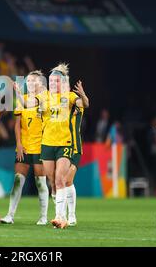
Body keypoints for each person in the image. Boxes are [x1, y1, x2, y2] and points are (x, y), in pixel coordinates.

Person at [0, 70, 50, 225]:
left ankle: (43, 216)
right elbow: (17, 125)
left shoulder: (44, 98)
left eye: (33, 80)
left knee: (40, 181)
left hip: (40, 146)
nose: (30, 83)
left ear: (40, 83)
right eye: (28, 81)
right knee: (17, 180)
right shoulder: (23, 100)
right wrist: (19, 144)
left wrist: (19, 94)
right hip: (24, 146)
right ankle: (10, 215)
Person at [39, 63, 84, 229]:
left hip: (73, 144)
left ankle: (66, 215)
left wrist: (83, 96)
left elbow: (84, 103)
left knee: (65, 180)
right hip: (52, 143)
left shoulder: (72, 99)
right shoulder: (51, 100)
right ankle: (63, 215)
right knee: (56, 181)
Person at [65, 80, 89, 227]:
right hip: (60, 146)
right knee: (60, 182)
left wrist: (82, 93)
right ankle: (60, 214)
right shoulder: (59, 105)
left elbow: (86, 103)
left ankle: (72, 215)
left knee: (68, 180)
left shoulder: (77, 104)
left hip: (75, 148)